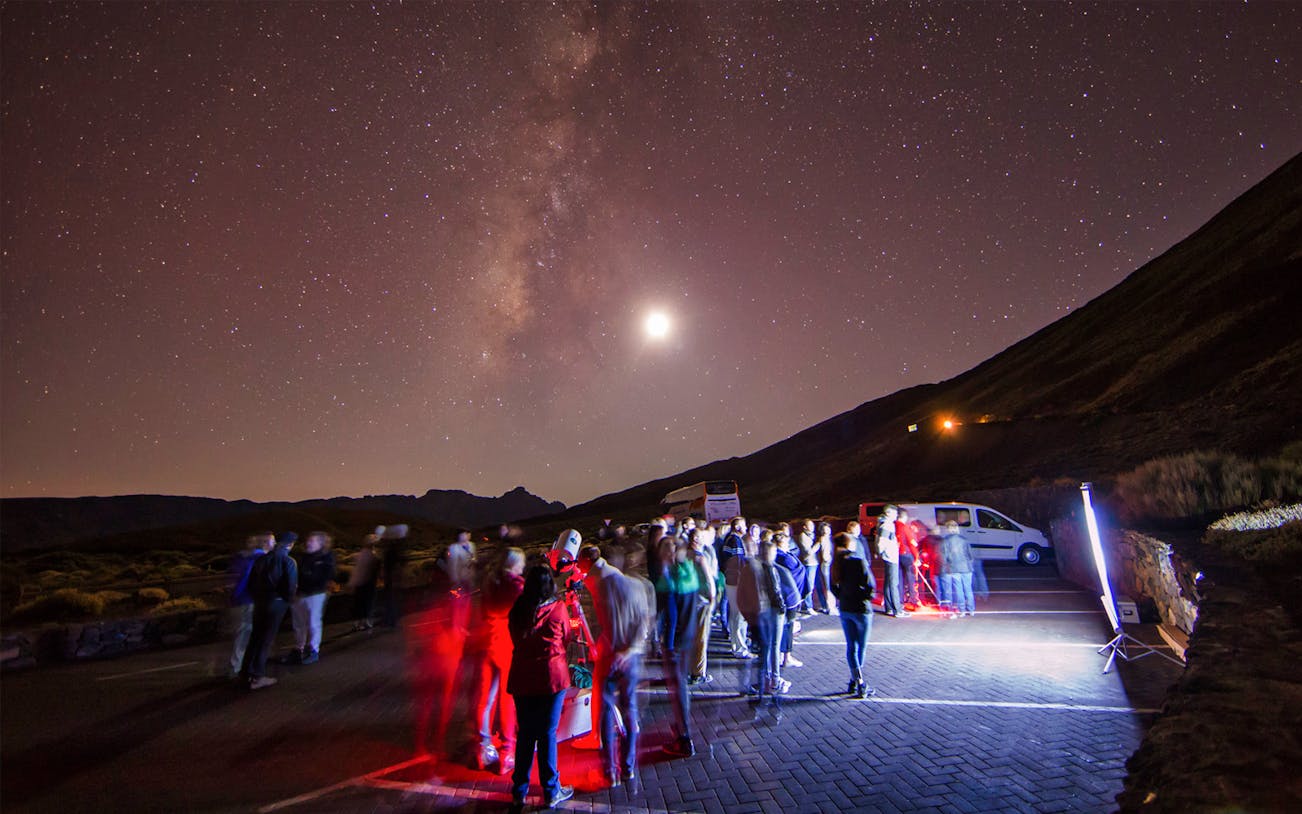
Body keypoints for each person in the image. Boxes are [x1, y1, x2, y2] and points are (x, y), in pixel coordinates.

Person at [508, 565, 574, 812]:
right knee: (547, 733)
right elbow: (566, 636)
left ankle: (519, 791)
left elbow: (514, 637)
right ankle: (550, 789)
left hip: (523, 677)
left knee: (525, 734)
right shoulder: (558, 609)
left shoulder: (517, 610)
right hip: (551, 677)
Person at [594, 559, 651, 791]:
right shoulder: (638, 588)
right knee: (630, 709)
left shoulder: (601, 589)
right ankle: (628, 766)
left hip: (609, 657)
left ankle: (610, 769)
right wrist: (629, 651)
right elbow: (643, 626)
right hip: (630, 658)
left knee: (606, 712)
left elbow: (598, 625)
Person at [472, 547, 525, 774]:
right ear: (515, 564)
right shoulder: (517, 586)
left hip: (488, 642)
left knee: (485, 698)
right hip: (507, 646)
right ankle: (507, 752)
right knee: (507, 699)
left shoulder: (489, 583)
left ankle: (483, 748)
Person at [654, 524, 700, 757]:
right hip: (689, 637)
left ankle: (684, 738)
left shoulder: (668, 579)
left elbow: (670, 615)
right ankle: (683, 728)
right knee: (681, 686)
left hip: (676, 642)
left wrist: (666, 645)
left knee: (677, 688)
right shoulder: (689, 571)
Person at [240, 531, 298, 690]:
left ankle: (246, 673)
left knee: (255, 638)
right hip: (276, 603)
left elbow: (251, 583)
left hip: (260, 603)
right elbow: (290, 587)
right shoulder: (288, 561)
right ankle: (257, 676)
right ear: (290, 544)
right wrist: (287, 601)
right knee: (265, 641)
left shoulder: (261, 560)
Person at [738, 538, 787, 697]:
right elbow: (775, 591)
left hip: (760, 614)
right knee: (771, 647)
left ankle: (765, 681)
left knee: (765, 648)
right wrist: (782, 608)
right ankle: (770, 681)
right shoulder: (766, 568)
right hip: (766, 613)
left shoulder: (755, 567)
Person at [831, 532, 877, 698]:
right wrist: (865, 597)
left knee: (851, 646)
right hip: (861, 609)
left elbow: (833, 587)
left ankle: (855, 679)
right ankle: (859, 682)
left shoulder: (836, 563)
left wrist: (843, 597)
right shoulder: (858, 561)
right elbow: (870, 585)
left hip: (845, 608)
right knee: (861, 646)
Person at [227, 533, 272, 677]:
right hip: (251, 600)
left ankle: (238, 665)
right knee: (248, 634)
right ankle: (241, 668)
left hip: (242, 600)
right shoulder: (258, 559)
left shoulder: (241, 558)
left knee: (243, 633)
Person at [289, 531, 335, 664]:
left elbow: (328, 575)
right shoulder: (302, 557)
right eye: (308, 540)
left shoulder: (326, 558)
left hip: (315, 594)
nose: (308, 543)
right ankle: (299, 648)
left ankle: (313, 650)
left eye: (312, 541)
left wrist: (311, 580)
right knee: (298, 623)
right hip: (300, 594)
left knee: (313, 623)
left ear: (320, 543)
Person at [686, 527, 718, 685]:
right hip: (701, 601)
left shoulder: (682, 555)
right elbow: (708, 580)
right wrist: (713, 599)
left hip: (687, 601)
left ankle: (686, 669)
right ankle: (698, 672)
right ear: (697, 540)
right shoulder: (700, 558)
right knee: (701, 638)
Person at [719, 517, 752, 659]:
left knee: (735, 615)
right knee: (739, 616)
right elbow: (737, 563)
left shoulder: (729, 539)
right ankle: (740, 648)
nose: (746, 528)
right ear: (738, 527)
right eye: (744, 525)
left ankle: (737, 644)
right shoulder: (735, 541)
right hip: (737, 582)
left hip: (731, 581)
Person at [773, 531, 805, 669]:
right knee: (787, 626)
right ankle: (786, 656)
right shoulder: (783, 558)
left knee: (785, 626)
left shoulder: (782, 555)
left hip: (787, 596)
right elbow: (795, 571)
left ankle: (782, 656)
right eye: (787, 542)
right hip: (789, 597)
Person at [939, 521, 976, 618]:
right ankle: (971, 609)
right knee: (968, 589)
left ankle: (962, 610)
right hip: (966, 567)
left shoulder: (945, 540)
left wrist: (944, 569)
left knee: (959, 589)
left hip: (954, 567)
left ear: (948, 529)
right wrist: (970, 563)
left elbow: (944, 556)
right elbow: (970, 554)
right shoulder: (964, 540)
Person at [876, 505, 907, 617]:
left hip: (889, 556)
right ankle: (897, 610)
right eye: (894, 513)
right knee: (894, 583)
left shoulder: (883, 524)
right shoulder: (887, 525)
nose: (896, 516)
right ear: (888, 513)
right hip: (891, 557)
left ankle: (889, 608)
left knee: (888, 583)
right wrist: (884, 552)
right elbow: (881, 542)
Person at [348, 533, 381, 630]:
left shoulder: (364, 555)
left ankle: (360, 621)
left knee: (362, 603)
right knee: (365, 602)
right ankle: (362, 621)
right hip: (366, 583)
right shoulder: (369, 556)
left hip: (365, 583)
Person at [896, 510, 922, 609]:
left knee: (900, 579)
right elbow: (911, 542)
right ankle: (913, 600)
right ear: (904, 517)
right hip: (906, 554)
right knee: (911, 579)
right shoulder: (904, 527)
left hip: (897, 555)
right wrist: (916, 557)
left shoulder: (894, 526)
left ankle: (900, 600)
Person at [795, 520, 818, 613]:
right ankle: (808, 606)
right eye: (810, 525)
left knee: (815, 585)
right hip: (809, 563)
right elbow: (808, 552)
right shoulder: (803, 536)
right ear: (804, 527)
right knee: (809, 585)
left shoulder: (811, 535)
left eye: (813, 525)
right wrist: (818, 545)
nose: (812, 527)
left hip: (815, 562)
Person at [813, 521, 834, 614]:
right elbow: (822, 552)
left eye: (828, 528)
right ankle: (830, 607)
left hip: (828, 564)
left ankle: (828, 606)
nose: (827, 530)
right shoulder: (823, 539)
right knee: (828, 586)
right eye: (825, 529)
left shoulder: (828, 539)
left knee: (829, 586)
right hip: (826, 564)